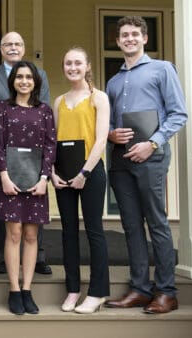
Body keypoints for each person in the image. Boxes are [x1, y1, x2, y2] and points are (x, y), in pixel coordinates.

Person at [105, 16, 187, 314]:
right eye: (124, 35)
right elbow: (111, 122)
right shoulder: (113, 82)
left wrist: (151, 143)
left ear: (144, 38)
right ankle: (140, 289)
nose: (129, 38)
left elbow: (178, 114)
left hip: (150, 157)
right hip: (120, 160)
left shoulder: (162, 69)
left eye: (134, 34)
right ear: (117, 41)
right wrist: (111, 134)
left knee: (157, 222)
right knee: (130, 226)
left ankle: (166, 291)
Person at [0, 31, 52, 275]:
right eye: (8, 44)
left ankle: (37, 258)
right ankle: (6, 258)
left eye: (18, 44)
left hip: (33, 153)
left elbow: (45, 110)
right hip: (4, 147)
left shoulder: (39, 74)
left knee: (33, 214)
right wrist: (7, 120)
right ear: (1, 49)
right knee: (7, 212)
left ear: (23, 47)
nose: (13, 47)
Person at [0, 61, 56, 314]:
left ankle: (28, 289)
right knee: (14, 234)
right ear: (13, 81)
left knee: (31, 236)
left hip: (36, 181)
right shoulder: (3, 108)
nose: (24, 81)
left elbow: (51, 146)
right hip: (9, 179)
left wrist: (44, 179)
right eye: (19, 77)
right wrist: (4, 177)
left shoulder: (45, 111)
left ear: (35, 82)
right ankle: (14, 290)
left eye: (29, 77)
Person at [51, 47, 110, 314]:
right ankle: (73, 289)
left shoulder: (99, 98)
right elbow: (53, 141)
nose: (72, 67)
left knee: (94, 231)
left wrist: (84, 174)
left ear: (87, 66)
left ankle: (97, 293)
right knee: (68, 232)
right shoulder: (59, 101)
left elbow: (100, 140)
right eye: (67, 63)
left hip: (90, 174)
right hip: (63, 175)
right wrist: (52, 171)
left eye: (77, 63)